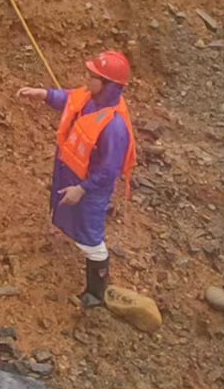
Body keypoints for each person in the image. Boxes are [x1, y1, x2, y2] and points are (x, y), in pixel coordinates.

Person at [15, 51, 136, 307]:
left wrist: (82, 189)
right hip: (71, 174)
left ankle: (96, 293)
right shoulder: (90, 97)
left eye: (93, 76)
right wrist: (44, 94)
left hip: (89, 189)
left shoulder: (114, 126)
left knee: (91, 238)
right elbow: (69, 99)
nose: (87, 79)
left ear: (108, 85)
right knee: (74, 221)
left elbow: (109, 170)